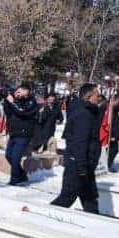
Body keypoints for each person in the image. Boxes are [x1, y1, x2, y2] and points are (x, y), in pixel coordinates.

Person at [51, 84, 102, 213]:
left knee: (89, 198)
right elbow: (80, 142)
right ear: (89, 96)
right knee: (67, 197)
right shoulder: (83, 114)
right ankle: (46, 215)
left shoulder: (88, 111)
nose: (99, 98)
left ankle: (94, 221)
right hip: (78, 163)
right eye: (97, 95)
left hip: (86, 162)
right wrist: (82, 166)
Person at [2, 83, 39, 185]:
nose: (18, 93)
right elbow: (8, 112)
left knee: (15, 158)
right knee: (8, 155)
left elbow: (22, 112)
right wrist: (7, 99)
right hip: (13, 132)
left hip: (24, 134)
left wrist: (13, 102)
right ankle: (22, 174)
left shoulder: (32, 102)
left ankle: (15, 180)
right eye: (17, 91)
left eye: (20, 91)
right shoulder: (17, 100)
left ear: (27, 91)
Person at [105, 94, 119, 172]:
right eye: (117, 101)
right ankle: (107, 165)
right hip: (112, 134)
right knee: (112, 150)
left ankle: (108, 164)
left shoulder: (114, 108)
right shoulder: (110, 109)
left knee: (114, 150)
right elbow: (109, 123)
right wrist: (111, 135)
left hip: (114, 133)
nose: (118, 103)